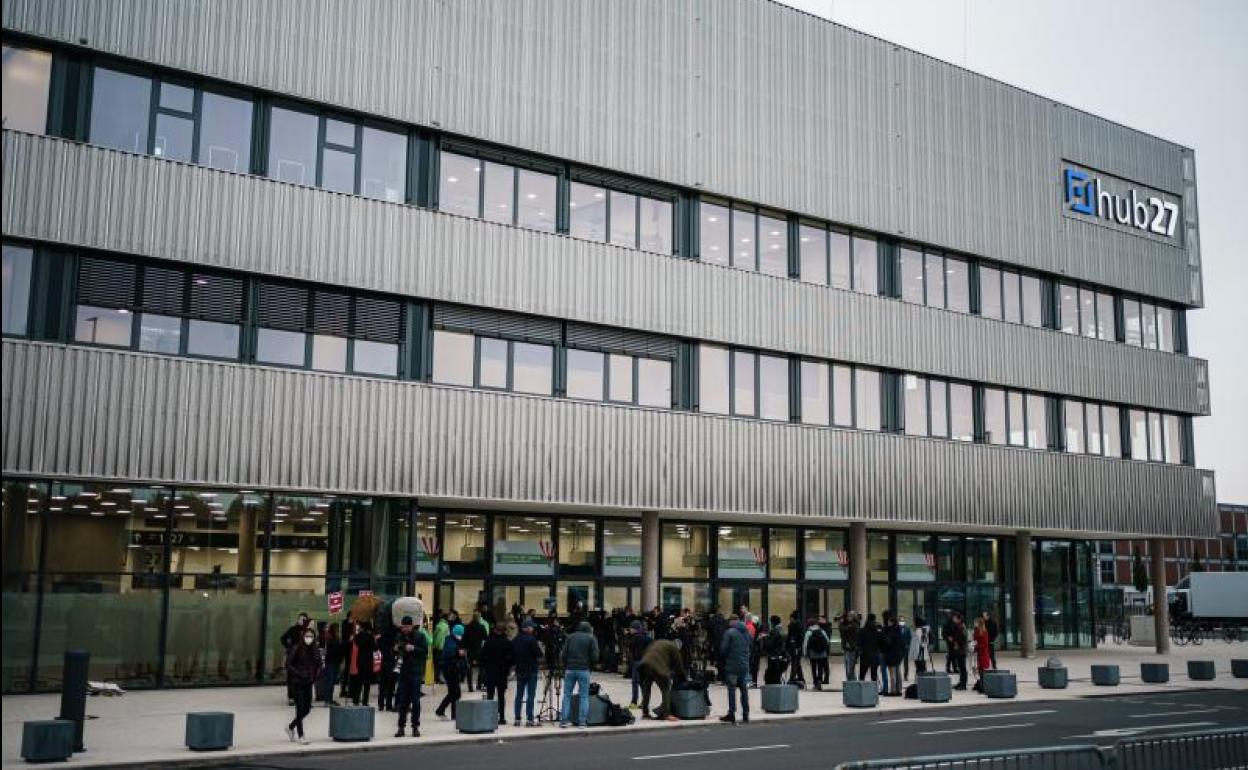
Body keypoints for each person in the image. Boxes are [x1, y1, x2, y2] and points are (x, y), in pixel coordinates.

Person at [284, 623, 321, 745]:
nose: (309, 638)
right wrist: (299, 673)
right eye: (307, 636)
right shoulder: (297, 648)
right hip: (297, 682)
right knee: (299, 709)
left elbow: (318, 664)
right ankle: (301, 735)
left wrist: (314, 676)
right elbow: (288, 664)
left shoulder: (315, 649)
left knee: (307, 709)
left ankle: (290, 726)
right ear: (303, 636)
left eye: (311, 636)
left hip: (308, 682)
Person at [393, 615, 428, 738]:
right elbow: (395, 650)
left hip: (415, 672)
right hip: (403, 672)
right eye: (403, 627)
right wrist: (396, 649)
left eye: (407, 627)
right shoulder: (399, 636)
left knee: (415, 701)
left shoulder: (420, 636)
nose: (405, 629)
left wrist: (413, 648)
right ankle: (401, 727)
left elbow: (425, 652)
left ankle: (415, 727)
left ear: (412, 626)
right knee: (402, 701)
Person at [559, 620, 599, 728]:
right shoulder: (591, 638)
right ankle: (582, 722)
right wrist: (591, 666)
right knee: (584, 696)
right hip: (584, 670)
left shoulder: (570, 637)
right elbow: (595, 657)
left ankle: (564, 721)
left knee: (567, 695)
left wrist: (565, 666)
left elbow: (563, 655)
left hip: (570, 669)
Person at [638, 638, 686, 722]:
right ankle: (667, 714)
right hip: (657, 666)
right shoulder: (674, 648)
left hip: (645, 664)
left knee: (647, 688)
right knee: (665, 688)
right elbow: (679, 665)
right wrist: (683, 678)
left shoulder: (660, 642)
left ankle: (645, 713)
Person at [718, 618, 752, 725]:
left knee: (731, 690)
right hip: (744, 665)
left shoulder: (730, 633)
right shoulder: (747, 633)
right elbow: (750, 646)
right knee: (744, 690)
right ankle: (746, 714)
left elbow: (723, 649)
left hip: (732, 665)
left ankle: (731, 713)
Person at [480, 621, 514, 723]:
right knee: (501, 696)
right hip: (502, 672)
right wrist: (508, 668)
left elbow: (482, 656)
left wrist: (485, 667)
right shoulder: (507, 642)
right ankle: (502, 717)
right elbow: (511, 658)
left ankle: (490, 717)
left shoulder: (488, 641)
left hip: (490, 671)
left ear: (495, 629)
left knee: (490, 695)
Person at [511, 621, 542, 727]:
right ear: (527, 628)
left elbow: (512, 655)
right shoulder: (531, 639)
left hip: (520, 670)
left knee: (519, 695)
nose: (532, 629)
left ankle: (517, 719)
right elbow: (539, 654)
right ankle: (529, 719)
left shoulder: (515, 640)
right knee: (530, 695)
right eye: (531, 628)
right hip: (531, 670)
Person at [435, 624, 466, 719]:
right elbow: (448, 653)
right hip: (450, 669)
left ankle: (451, 713)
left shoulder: (455, 640)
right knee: (455, 693)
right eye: (459, 634)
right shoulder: (450, 640)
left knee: (454, 692)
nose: (460, 636)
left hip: (453, 669)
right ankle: (442, 711)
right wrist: (458, 652)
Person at [280, 612, 312, 706]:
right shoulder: (293, 629)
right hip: (293, 657)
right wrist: (288, 647)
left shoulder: (307, 631)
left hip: (304, 658)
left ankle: (300, 697)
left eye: (304, 619)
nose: (302, 621)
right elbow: (283, 638)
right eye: (300, 619)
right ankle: (291, 697)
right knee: (291, 678)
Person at [347, 620, 377, 706]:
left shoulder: (357, 636)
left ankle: (356, 699)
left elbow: (355, 644)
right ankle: (365, 701)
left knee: (358, 682)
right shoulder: (370, 637)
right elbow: (375, 648)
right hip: (368, 661)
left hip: (359, 660)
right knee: (367, 683)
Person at [627, 620, 652, 709]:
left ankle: (634, 702)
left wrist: (629, 636)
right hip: (645, 661)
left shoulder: (636, 637)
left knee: (635, 682)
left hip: (637, 661)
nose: (629, 630)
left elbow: (630, 645)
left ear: (635, 629)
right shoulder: (647, 637)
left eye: (631, 628)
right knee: (642, 682)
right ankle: (644, 702)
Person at [463, 610, 489, 691]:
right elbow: (485, 637)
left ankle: (470, 687)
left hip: (469, 650)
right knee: (482, 667)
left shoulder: (467, 627)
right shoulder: (481, 627)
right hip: (478, 649)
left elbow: (464, 639)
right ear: (478, 618)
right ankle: (479, 684)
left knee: (469, 668)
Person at [803, 617, 831, 691]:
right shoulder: (821, 630)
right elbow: (827, 641)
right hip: (822, 652)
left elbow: (805, 644)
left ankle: (815, 683)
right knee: (820, 668)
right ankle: (819, 682)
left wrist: (805, 653)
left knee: (813, 668)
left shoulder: (808, 632)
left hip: (813, 652)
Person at [321, 623, 344, 706]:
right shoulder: (330, 638)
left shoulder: (337, 639)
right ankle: (327, 700)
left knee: (332, 681)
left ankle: (329, 699)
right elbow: (335, 649)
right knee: (329, 681)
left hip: (336, 662)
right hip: (331, 662)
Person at [883, 613, 904, 696]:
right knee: (898, 673)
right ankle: (899, 689)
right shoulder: (899, 631)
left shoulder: (890, 632)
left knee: (892, 674)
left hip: (891, 655)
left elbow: (888, 643)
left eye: (889, 622)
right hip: (899, 654)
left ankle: (893, 690)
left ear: (891, 622)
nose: (888, 623)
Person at [763, 616, 788, 685]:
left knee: (772, 675)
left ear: (772, 622)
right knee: (776, 674)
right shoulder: (780, 630)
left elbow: (770, 644)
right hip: (779, 655)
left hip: (773, 656)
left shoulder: (774, 631)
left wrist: (765, 638)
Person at [857, 613, 881, 685]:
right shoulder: (877, 630)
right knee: (874, 674)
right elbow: (881, 641)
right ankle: (874, 690)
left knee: (862, 674)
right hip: (874, 654)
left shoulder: (863, 630)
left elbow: (858, 642)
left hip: (865, 655)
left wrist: (860, 650)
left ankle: (861, 689)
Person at [948, 613, 969, 690]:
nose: (953, 619)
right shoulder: (958, 626)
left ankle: (963, 684)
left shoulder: (961, 627)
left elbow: (962, 639)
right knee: (960, 667)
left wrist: (953, 640)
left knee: (962, 667)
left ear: (959, 619)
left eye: (955, 618)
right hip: (959, 650)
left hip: (961, 650)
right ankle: (961, 682)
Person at [786, 612, 806, 689]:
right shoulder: (793, 626)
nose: (790, 620)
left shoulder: (796, 626)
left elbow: (798, 637)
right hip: (794, 647)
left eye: (790, 618)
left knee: (795, 662)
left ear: (793, 618)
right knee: (797, 663)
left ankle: (792, 678)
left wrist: (797, 645)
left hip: (796, 647)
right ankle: (801, 678)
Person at [972, 616, 992, 693]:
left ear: (979, 623)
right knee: (980, 670)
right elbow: (975, 640)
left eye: (976, 622)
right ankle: (981, 685)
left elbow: (985, 644)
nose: (975, 624)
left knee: (983, 670)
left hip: (983, 653)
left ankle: (983, 687)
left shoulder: (984, 632)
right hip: (978, 653)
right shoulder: (976, 631)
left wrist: (976, 646)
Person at [839, 611, 860, 682]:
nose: (848, 618)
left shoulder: (854, 625)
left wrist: (841, 623)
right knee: (848, 666)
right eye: (848, 616)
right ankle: (850, 681)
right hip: (848, 648)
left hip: (851, 648)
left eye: (850, 616)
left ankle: (852, 682)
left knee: (850, 668)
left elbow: (844, 630)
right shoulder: (850, 624)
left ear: (853, 617)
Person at [431, 612, 450, 684]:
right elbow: (447, 637)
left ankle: (436, 677)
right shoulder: (446, 626)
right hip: (442, 647)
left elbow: (435, 636)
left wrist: (434, 646)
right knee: (441, 664)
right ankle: (438, 678)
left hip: (437, 647)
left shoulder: (438, 625)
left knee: (436, 664)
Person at [899, 614, 913, 682]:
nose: (902, 621)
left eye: (903, 620)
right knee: (897, 663)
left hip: (905, 649)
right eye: (900, 620)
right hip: (898, 649)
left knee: (906, 664)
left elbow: (910, 638)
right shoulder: (897, 628)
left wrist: (908, 645)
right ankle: (898, 676)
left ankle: (905, 676)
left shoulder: (907, 629)